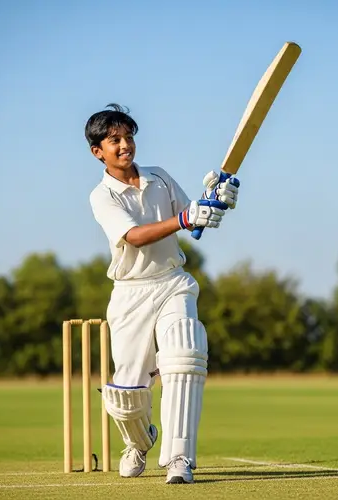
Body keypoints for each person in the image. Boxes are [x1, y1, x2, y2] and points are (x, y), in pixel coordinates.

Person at [84, 103, 240, 484]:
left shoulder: (160, 177)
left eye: (129, 137)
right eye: (115, 140)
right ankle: (139, 440)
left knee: (185, 355)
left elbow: (193, 222)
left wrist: (214, 202)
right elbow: (135, 237)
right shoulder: (102, 196)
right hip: (131, 292)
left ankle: (179, 459)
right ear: (98, 152)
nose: (125, 145)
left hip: (173, 282)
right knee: (127, 392)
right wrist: (185, 218)